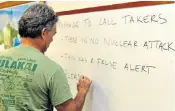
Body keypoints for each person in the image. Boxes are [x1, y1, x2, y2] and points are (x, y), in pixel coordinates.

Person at [0, 3, 91, 111]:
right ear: (43, 33)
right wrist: (82, 91)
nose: (52, 40)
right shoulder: (52, 70)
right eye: (52, 35)